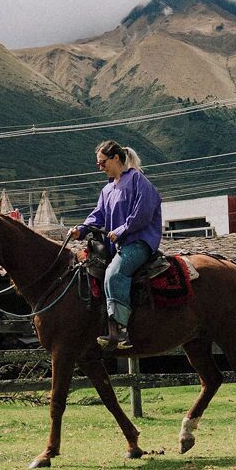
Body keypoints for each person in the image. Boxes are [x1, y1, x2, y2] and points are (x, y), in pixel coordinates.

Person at [79, 139, 163, 352]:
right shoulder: (107, 190)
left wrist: (121, 230)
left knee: (114, 274)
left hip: (139, 242)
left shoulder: (137, 180)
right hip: (118, 246)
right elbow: (97, 216)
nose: (100, 167)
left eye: (102, 162)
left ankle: (121, 329)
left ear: (116, 158)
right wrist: (81, 229)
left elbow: (143, 214)